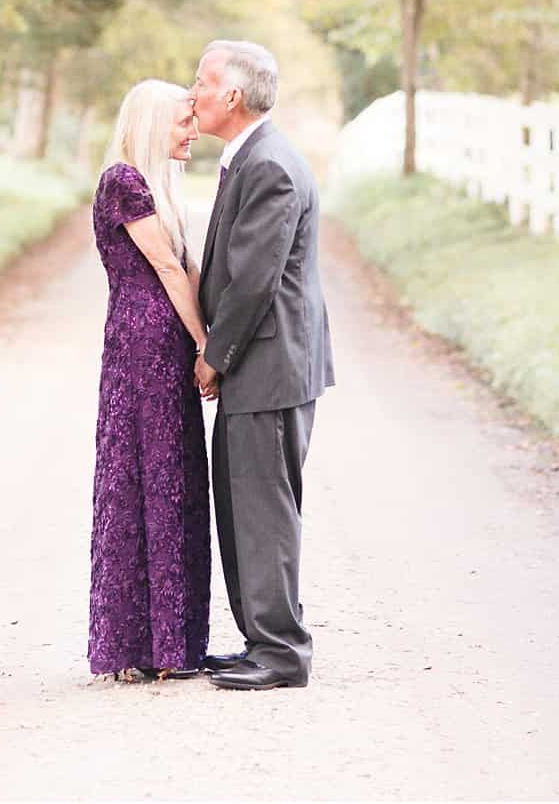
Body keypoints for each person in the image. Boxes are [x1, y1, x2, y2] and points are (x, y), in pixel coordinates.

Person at [190, 40, 334, 691]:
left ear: (233, 96)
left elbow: (253, 281)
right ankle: (260, 639)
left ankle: (281, 651)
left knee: (265, 510)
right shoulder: (249, 158)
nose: (192, 92)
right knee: (244, 504)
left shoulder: (270, 165)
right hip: (264, 367)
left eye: (202, 80)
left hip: (269, 368)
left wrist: (214, 358)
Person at [88, 79, 212, 681]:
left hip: (163, 342)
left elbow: (187, 263)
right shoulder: (124, 181)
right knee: (144, 476)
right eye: (184, 121)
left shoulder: (159, 188)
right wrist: (208, 344)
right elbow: (165, 266)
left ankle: (173, 643)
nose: (193, 131)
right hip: (144, 346)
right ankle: (141, 642)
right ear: (154, 123)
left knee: (174, 477)